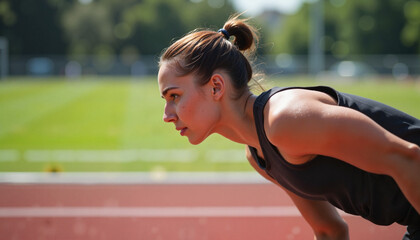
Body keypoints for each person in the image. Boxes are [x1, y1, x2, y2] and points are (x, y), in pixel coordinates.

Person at [157, 14, 420, 240]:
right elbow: (329, 231)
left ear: (216, 86)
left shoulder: (285, 120)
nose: (167, 115)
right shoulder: (258, 154)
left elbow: (408, 158)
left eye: (175, 97)